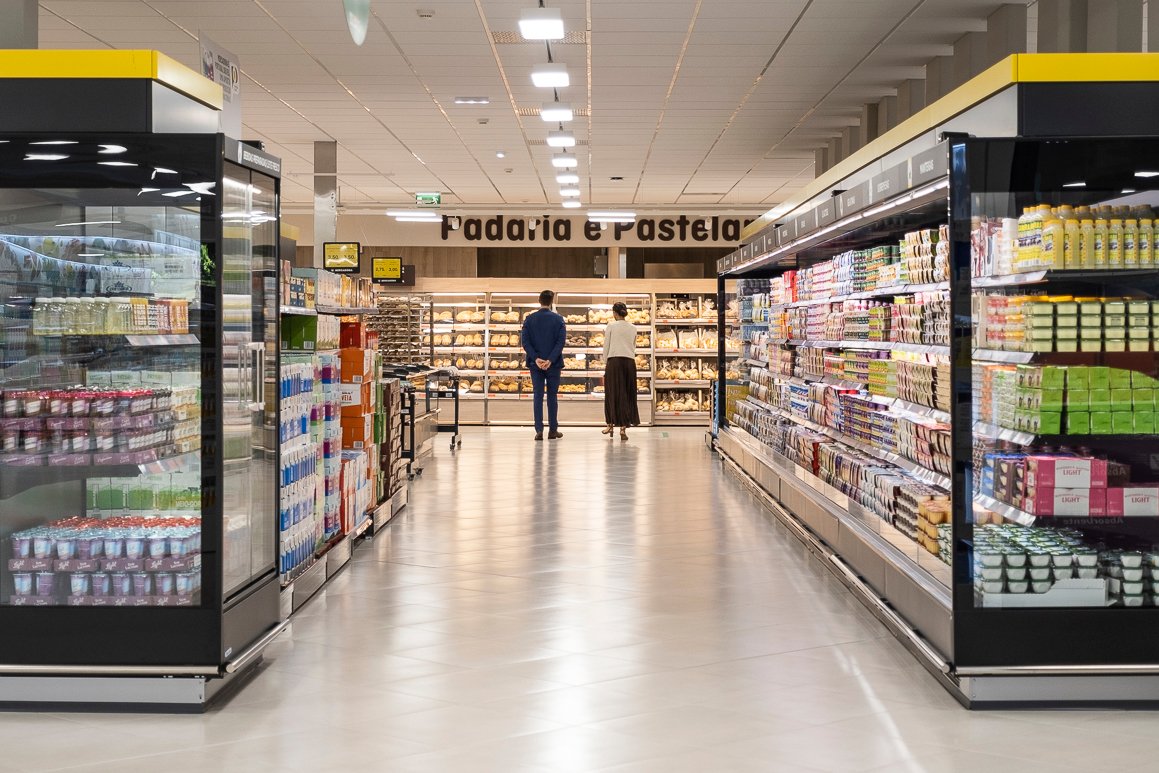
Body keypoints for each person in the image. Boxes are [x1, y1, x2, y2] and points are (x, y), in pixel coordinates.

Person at [521, 289, 565, 440]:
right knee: (552, 397)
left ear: (539, 301)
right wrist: (550, 360)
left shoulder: (529, 319)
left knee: (538, 396)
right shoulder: (558, 319)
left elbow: (525, 342)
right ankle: (553, 430)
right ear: (551, 302)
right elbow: (560, 343)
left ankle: (539, 430)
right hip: (554, 364)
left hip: (536, 365)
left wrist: (536, 358)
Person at [601, 301, 641, 440]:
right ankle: (623, 428)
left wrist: (606, 362)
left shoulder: (611, 326)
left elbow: (606, 346)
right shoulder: (633, 328)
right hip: (629, 362)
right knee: (627, 394)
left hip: (614, 362)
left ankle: (610, 424)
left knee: (612, 393)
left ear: (614, 313)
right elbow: (633, 346)